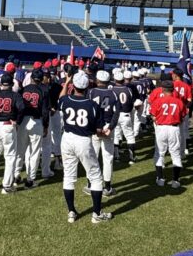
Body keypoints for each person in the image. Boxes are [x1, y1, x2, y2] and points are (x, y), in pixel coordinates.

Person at [57, 71, 112, 223]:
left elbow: (60, 98)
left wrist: (67, 82)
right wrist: (104, 134)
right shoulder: (92, 105)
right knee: (95, 177)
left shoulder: (65, 100)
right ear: (87, 86)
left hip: (67, 139)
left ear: (73, 86)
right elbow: (98, 130)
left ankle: (71, 212)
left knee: (68, 176)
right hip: (83, 140)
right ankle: (96, 214)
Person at [148, 79, 186, 188]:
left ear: (163, 89)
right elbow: (182, 117)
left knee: (159, 153)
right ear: (173, 90)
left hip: (161, 128)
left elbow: (153, 115)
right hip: (174, 128)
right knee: (175, 154)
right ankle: (176, 180)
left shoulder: (158, 101)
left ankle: (160, 179)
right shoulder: (179, 102)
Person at [89, 70, 120, 196]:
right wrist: (110, 127)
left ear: (97, 80)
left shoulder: (91, 92)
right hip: (107, 126)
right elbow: (116, 114)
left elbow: (88, 110)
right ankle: (107, 187)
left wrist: (93, 127)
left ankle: (91, 184)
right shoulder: (113, 94)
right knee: (108, 158)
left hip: (95, 127)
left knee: (93, 157)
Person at [17, 67, 49, 188]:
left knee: (20, 150)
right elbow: (45, 111)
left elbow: (18, 107)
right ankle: (30, 179)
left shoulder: (23, 89)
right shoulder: (43, 91)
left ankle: (16, 175)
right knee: (34, 152)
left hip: (23, 121)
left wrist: (18, 121)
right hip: (36, 121)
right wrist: (46, 125)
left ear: (31, 78)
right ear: (41, 79)